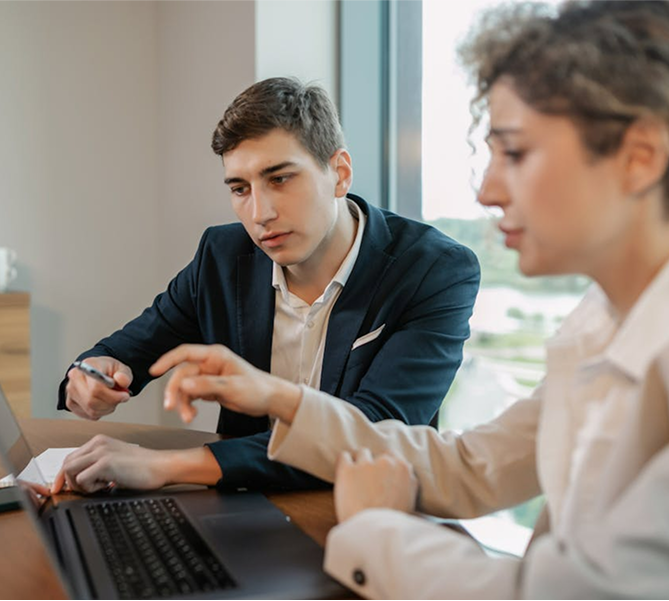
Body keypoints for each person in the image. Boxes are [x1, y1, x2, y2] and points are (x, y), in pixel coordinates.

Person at [151, 1, 669, 597]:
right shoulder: (601, 322)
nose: (487, 189)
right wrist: (279, 396)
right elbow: (472, 466)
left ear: (640, 157)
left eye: (517, 153)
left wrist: (376, 527)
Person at [53, 77, 480, 493]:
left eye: (279, 179)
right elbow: (128, 349)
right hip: (245, 510)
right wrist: (92, 373)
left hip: (374, 517)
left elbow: (376, 431)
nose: (260, 213)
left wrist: (167, 466)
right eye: (240, 188)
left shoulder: (436, 271)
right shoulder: (222, 256)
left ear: (340, 173)